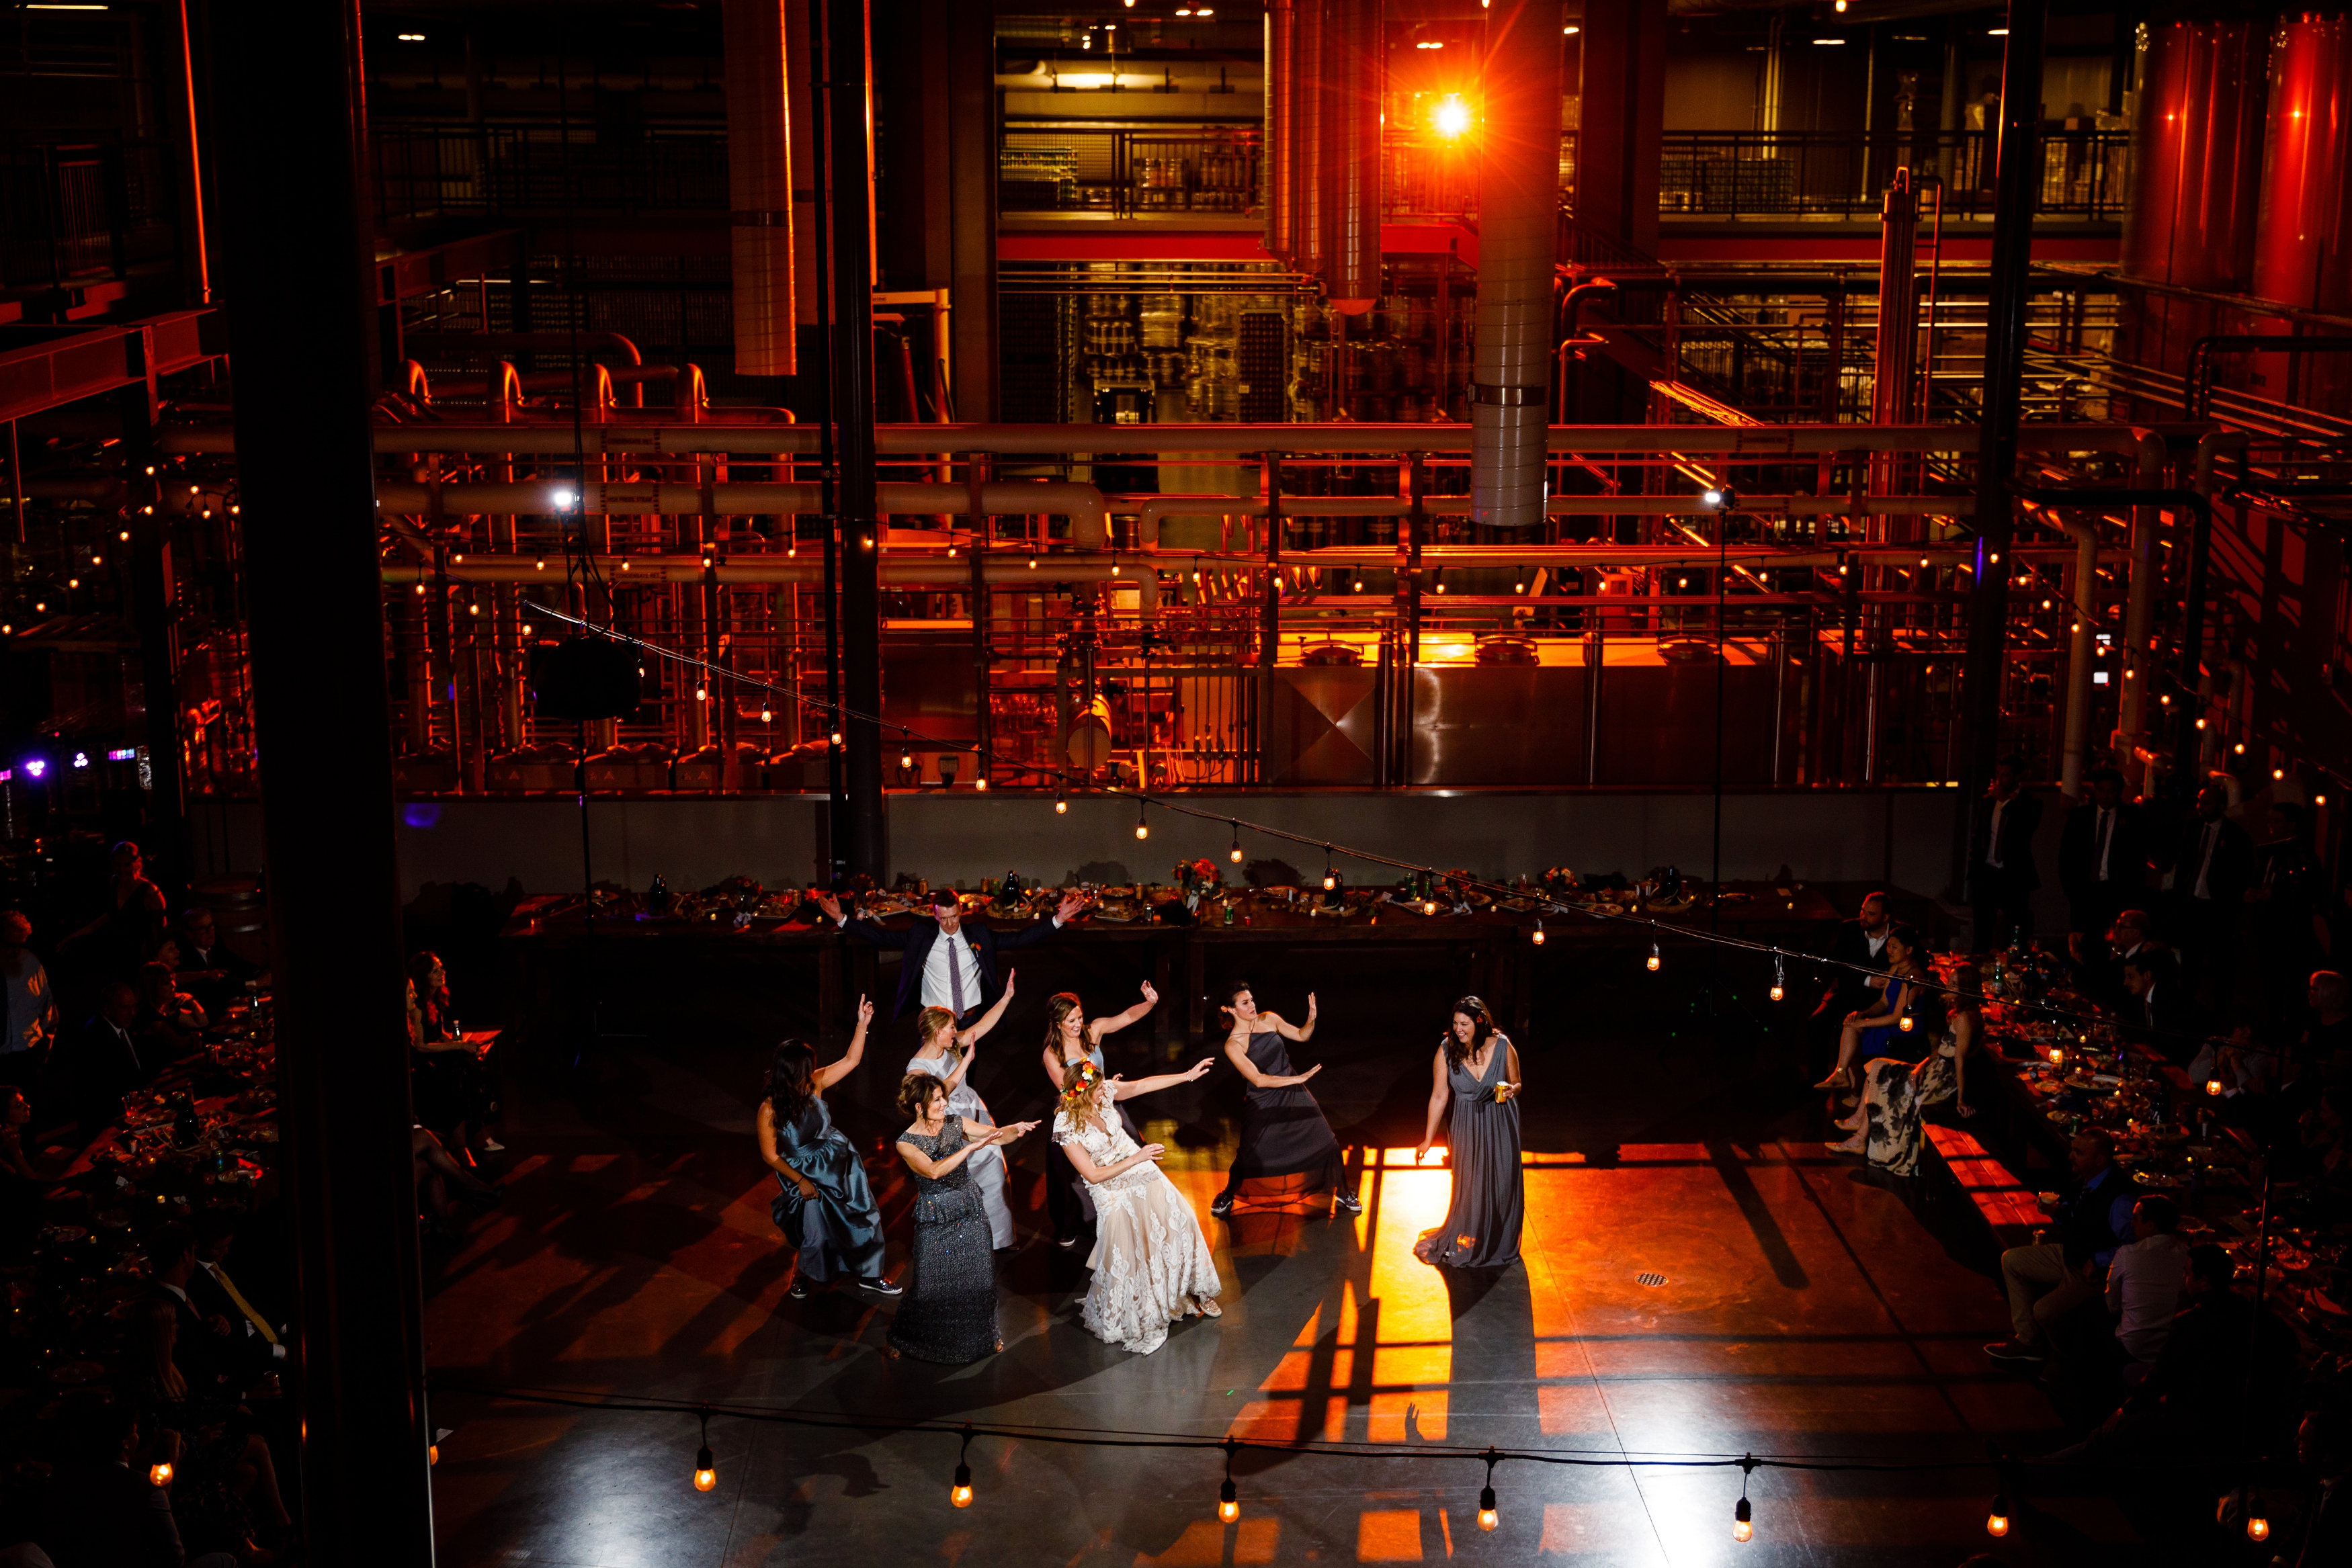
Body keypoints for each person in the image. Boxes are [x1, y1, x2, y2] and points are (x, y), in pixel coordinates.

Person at [1052, 1053, 1221, 1353]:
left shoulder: (1104, 1091)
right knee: (1131, 1243)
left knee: (1182, 1217)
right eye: (1099, 1090)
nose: (1106, 1091)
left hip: (1136, 1163)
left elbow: (1143, 1085)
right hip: (1108, 1185)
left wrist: (1187, 1076)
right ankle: (1145, 1304)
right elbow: (1092, 1174)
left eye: (1104, 1087)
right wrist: (1137, 1158)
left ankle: (1196, 1288)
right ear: (1082, 1094)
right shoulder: (1065, 1125)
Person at [886, 1074, 1036, 1363]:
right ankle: (904, 1336)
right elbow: (932, 1171)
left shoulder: (957, 1122)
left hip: (970, 1210)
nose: (945, 1103)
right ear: (919, 1107)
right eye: (938, 1100)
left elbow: (993, 1134)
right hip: (936, 1216)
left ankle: (983, 1336)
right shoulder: (905, 1143)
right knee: (929, 1286)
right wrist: (969, 1148)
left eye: (944, 1097)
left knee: (978, 1280)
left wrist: (1014, 1130)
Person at [757, 998, 898, 1300]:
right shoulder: (769, 1109)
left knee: (863, 1219)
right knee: (816, 1234)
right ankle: (802, 1273)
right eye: (807, 1066)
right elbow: (770, 1155)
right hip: (803, 1172)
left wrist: (862, 1024)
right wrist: (801, 1181)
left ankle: (871, 1275)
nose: (813, 1070)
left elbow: (851, 1061)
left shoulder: (815, 1084)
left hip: (838, 1163)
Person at [817, 884, 1091, 1022]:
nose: (949, 924)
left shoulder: (979, 935)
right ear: (934, 915)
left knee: (966, 1081)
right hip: (933, 1020)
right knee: (931, 1084)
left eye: (954, 917)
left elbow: (1020, 939)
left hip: (969, 1018)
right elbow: (879, 935)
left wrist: (1058, 919)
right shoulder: (920, 936)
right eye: (943, 918)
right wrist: (842, 918)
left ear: (961, 912)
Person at [1209, 980, 1360, 1219]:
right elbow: (1258, 1080)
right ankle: (1229, 1194)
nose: (1252, 1006)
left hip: (1294, 1092)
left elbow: (1302, 1036)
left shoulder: (1268, 1019)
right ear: (1230, 1009)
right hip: (1263, 1101)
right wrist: (1296, 1079)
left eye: (1252, 1000)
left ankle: (1342, 1192)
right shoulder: (1233, 1044)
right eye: (1245, 1003)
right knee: (1249, 1155)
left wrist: (1310, 1020)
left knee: (1328, 1143)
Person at [1985, 1127, 2136, 1364]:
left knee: (2044, 1311)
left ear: (2100, 1159)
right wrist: (2056, 1213)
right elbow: (2077, 1217)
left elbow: (2132, 1247)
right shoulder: (2086, 1181)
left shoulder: (2119, 1199)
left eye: (2078, 1152)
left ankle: (2066, 1362)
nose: (2070, 1157)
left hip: (2091, 1274)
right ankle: (2028, 1341)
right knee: (2012, 1260)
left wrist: (2098, 1260)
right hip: (2069, 1254)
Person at [35, 1404, 239, 1568]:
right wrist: (174, 1457)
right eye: (135, 1432)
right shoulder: (145, 1488)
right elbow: (175, 1558)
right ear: (125, 1442)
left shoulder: (60, 1481)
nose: (138, 1437)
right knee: (225, 1560)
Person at [902, 972, 1021, 1250]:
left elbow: (982, 1026)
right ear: (936, 1032)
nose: (956, 1032)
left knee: (994, 1167)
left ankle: (999, 1238)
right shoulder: (916, 1068)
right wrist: (965, 1062)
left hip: (973, 1108)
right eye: (951, 1028)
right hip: (950, 1121)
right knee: (964, 1180)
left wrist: (1006, 999)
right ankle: (965, 1242)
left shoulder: (952, 1044)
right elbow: (936, 1091)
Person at [1829, 962, 1980, 1173]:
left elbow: (1959, 1060)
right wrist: (1920, 1066)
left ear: (1967, 989)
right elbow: (1945, 1049)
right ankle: (1859, 1132)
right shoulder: (1959, 1013)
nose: (1949, 986)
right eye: (1950, 981)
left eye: (1955, 984)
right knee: (1877, 1066)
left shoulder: (1965, 1018)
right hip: (1934, 1068)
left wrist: (1961, 1098)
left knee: (1880, 1071)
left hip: (1941, 1080)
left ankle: (1859, 1137)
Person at [1040, 984, 1160, 1248]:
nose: (1078, 1024)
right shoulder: (1053, 1054)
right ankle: (1071, 1225)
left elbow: (1126, 1017)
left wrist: (1149, 1003)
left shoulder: (1093, 1031)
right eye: (1071, 1021)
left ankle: (1136, 1210)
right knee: (1072, 1175)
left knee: (1134, 1151)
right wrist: (1100, 1086)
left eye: (1080, 1017)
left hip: (1104, 1104)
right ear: (1058, 1023)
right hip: (1076, 1112)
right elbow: (1068, 1090)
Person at [1413, 996, 1523, 1269]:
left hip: (1500, 1121)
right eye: (1455, 1023)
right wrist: (1428, 1139)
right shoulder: (1446, 1050)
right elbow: (1439, 1096)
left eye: (1464, 1024)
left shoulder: (1502, 1046)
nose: (1458, 1029)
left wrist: (1513, 1090)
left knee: (1503, 1180)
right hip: (1467, 1124)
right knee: (1471, 1182)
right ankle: (1475, 1234)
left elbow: (1517, 1081)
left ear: (1479, 1021)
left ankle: (1499, 1238)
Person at [1810, 925, 1930, 1096]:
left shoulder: (1913, 977)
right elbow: (1883, 1002)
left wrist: (1864, 1023)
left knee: (1854, 1030)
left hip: (1905, 1031)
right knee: (1850, 1023)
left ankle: (1853, 1089)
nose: (1889, 950)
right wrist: (1863, 1014)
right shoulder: (1895, 969)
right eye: (1888, 945)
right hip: (1891, 1024)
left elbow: (1897, 1017)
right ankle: (1842, 1075)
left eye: (1894, 947)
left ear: (1909, 950)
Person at [407, 953, 500, 1158]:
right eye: (435, 970)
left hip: (435, 1053)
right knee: (460, 1072)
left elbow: (440, 1034)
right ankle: (471, 1139)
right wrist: (459, 1047)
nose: (442, 973)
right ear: (424, 976)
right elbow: (420, 1046)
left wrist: (466, 1044)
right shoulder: (417, 1006)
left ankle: (479, 1131)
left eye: (441, 968)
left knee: (474, 1062)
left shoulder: (435, 998)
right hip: (422, 1060)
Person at [2167, 781, 2254, 1002]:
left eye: (2206, 803)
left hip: (2217, 909)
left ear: (2221, 806)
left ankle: (2220, 1013)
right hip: (2192, 904)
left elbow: (2241, 875)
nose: (2200, 807)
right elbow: (2184, 864)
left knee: (2220, 965)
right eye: (2199, 801)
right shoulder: (2193, 828)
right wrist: (2180, 897)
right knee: (2190, 962)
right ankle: (2185, 1005)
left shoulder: (2237, 836)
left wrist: (2230, 910)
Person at [2058, 767, 2150, 961]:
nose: (2106, 796)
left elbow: (2138, 859)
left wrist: (2130, 895)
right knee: (2082, 941)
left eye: (2111, 791)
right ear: (2095, 790)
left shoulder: (2132, 819)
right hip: (2084, 890)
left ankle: (2108, 981)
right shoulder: (2080, 817)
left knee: (2112, 944)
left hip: (2115, 892)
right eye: (2101, 790)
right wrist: (2071, 889)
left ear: (2119, 792)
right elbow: (2067, 855)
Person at [186, 1209, 288, 1377]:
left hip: (265, 1333)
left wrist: (284, 1328)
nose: (226, 1252)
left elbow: (252, 1298)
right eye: (219, 1248)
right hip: (247, 1354)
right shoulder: (194, 1282)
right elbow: (230, 1340)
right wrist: (281, 1352)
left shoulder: (220, 1263)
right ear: (196, 1244)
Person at [2248, 801, 2325, 1018]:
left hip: (2287, 934)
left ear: (2291, 825)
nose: (2271, 825)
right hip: (2265, 930)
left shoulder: (2304, 858)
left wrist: (2276, 896)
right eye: (2270, 820)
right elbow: (2260, 881)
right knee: (2269, 984)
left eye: (2277, 820)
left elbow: (2312, 893)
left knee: (2287, 986)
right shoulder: (2269, 853)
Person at [2104, 1194, 2188, 1382]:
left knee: (2090, 1311)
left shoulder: (2128, 1254)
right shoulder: (2187, 1256)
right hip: (2170, 1347)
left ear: (2151, 1226)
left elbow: (2112, 1304)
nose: (2131, 1224)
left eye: (2135, 1219)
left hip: (2134, 1347)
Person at [1810, 891, 1896, 1072]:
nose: (1863, 917)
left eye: (1871, 914)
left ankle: (1865, 1077)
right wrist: (1867, 980)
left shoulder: (1900, 934)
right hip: (1846, 991)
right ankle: (1817, 1080)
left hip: (1879, 999)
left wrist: (1891, 977)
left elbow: (1916, 965)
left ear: (1886, 917)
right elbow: (1835, 967)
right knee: (1818, 1022)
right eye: (1863, 911)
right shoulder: (1849, 929)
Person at [44, 982, 146, 1129]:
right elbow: (101, 1086)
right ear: (107, 1008)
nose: (132, 1013)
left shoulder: (126, 1028)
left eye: (133, 1007)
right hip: (108, 1119)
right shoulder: (94, 1036)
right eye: (125, 1008)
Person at [57, 840, 167, 978]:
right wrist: (77, 934)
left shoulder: (149, 891)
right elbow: (113, 914)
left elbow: (162, 928)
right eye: (117, 864)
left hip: (140, 957)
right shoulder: (115, 882)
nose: (121, 870)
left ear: (137, 864)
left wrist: (155, 956)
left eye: (127, 865)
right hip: (117, 952)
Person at [1968, 754, 2044, 951]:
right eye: (1998, 774)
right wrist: (1975, 868)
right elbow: (1978, 836)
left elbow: (2026, 826)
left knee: (2015, 930)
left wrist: (2006, 802)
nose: (2001, 780)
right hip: (1987, 874)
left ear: (2018, 776)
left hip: (2013, 876)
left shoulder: (2031, 802)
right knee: (1982, 931)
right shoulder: (1988, 801)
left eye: (2006, 775)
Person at [170, 906, 261, 1024]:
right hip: (204, 1015)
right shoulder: (184, 956)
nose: (209, 932)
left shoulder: (216, 942)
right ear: (189, 934)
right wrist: (255, 984)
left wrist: (260, 972)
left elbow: (235, 963)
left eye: (211, 926)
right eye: (203, 929)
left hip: (222, 1008)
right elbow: (212, 990)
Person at [0, 912, 56, 1092]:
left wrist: (48, 1038)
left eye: (20, 946)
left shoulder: (31, 963)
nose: (15, 952)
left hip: (28, 1052)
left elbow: (47, 1004)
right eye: (10, 945)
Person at [2122, 950, 2201, 1064]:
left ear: (2147, 975)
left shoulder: (2168, 1000)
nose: (2125, 982)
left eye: (2131, 976)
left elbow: (2171, 1045)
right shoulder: (2141, 1001)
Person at [131, 961, 205, 1062]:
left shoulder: (166, 1008)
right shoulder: (147, 1014)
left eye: (173, 980)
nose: (173, 985)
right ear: (152, 988)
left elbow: (202, 1022)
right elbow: (180, 1043)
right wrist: (199, 1037)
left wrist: (190, 999)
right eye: (167, 983)